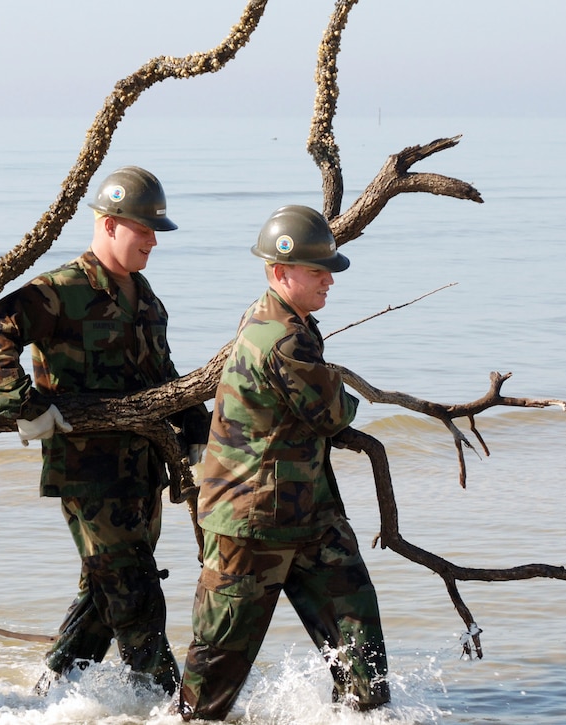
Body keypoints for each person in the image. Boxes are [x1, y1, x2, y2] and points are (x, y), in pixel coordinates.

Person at [0, 166, 210, 696]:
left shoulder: (144, 297)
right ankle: (168, 704)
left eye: (154, 231)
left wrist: (193, 417)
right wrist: (21, 404)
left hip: (142, 472)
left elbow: (161, 374)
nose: (152, 240)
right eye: (143, 229)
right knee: (135, 591)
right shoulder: (62, 290)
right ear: (107, 223)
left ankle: (50, 694)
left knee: (105, 594)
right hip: (88, 474)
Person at [176, 205, 390, 719]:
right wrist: (338, 390)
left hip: (307, 515)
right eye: (318, 272)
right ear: (280, 272)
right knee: (213, 684)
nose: (329, 282)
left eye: (330, 271)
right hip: (250, 526)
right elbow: (334, 413)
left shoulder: (274, 318)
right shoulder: (285, 339)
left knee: (361, 652)